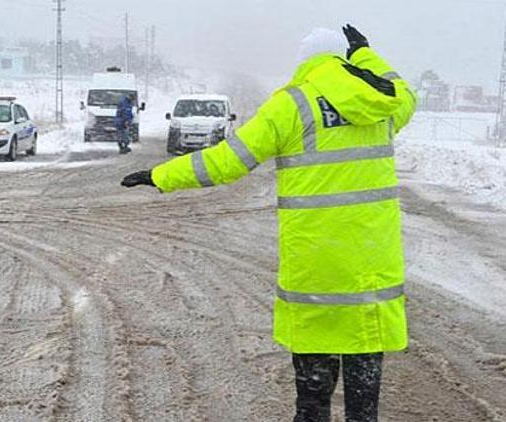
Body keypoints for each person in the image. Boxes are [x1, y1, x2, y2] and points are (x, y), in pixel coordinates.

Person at [121, 24, 416, 422]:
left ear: (305, 62)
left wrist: (161, 175)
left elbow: (227, 161)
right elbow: (406, 94)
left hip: (316, 272)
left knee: (313, 403)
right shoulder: (381, 103)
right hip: (372, 270)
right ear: (342, 60)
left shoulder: (291, 105)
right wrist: (366, 56)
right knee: (364, 406)